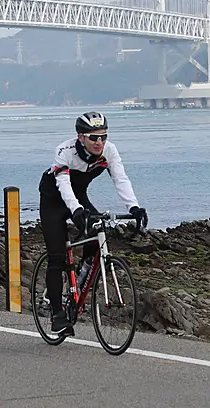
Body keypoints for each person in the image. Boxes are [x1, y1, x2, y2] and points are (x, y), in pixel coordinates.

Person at [39, 111, 148, 337]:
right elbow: (64, 186)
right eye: (94, 138)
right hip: (54, 200)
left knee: (97, 231)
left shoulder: (109, 151)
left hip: (79, 195)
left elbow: (120, 178)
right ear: (81, 137)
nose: (99, 142)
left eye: (103, 137)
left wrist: (134, 207)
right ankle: (57, 315)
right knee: (57, 256)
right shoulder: (64, 151)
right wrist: (77, 211)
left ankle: (78, 283)